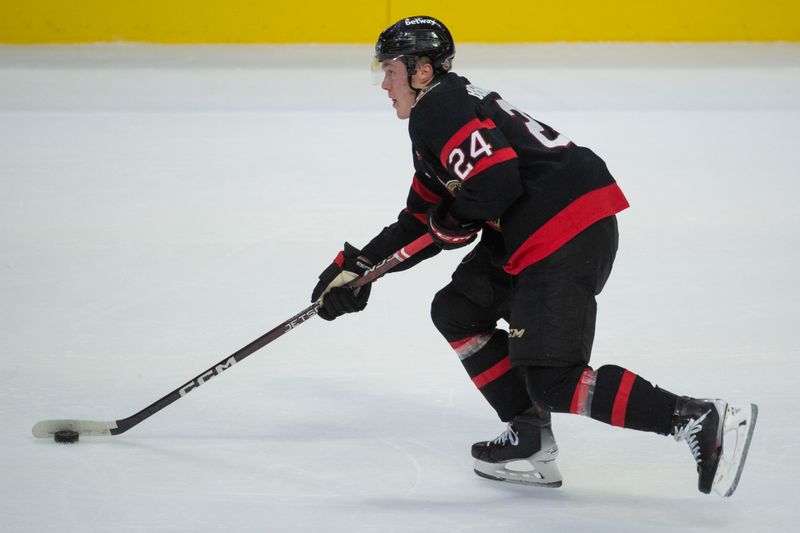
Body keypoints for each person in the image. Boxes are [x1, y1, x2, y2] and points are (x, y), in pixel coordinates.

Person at [310, 16, 757, 497]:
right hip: (535, 227)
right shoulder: (443, 114)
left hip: (563, 228)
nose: (384, 83)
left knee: (555, 380)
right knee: (458, 310)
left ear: (422, 72)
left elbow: (495, 181)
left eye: (391, 71)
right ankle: (528, 436)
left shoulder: (437, 110)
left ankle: (693, 416)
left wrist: (455, 219)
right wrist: (360, 271)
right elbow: (422, 218)